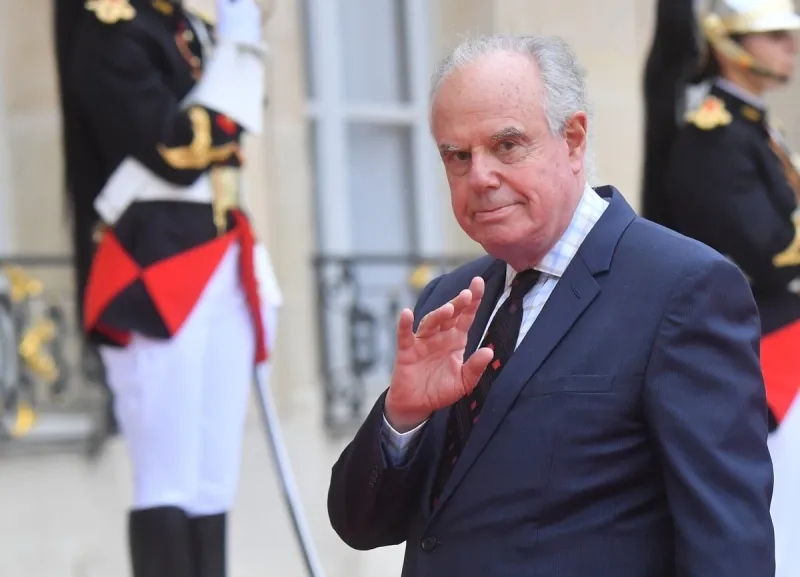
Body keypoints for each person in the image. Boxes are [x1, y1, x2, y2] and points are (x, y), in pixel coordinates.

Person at [326, 33, 776, 576]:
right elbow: (361, 525)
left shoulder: (684, 288)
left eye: (507, 145)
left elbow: (727, 546)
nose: (481, 177)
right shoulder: (449, 301)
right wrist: (403, 418)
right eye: (457, 156)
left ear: (574, 139)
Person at [53, 1, 280, 576]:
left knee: (212, 478)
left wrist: (236, 45)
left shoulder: (186, 25)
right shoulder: (108, 29)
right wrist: (240, 57)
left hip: (224, 256)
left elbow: (242, 118)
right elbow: (176, 147)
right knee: (166, 476)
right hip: (153, 268)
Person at [641, 1, 800, 575]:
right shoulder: (713, 135)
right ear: (729, 43)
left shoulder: (754, 128)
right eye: (774, 35)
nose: (790, 45)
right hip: (757, 347)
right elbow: (772, 251)